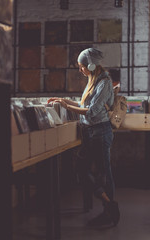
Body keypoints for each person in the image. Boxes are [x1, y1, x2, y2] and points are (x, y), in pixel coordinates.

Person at [47, 47, 120, 228]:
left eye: (82, 66)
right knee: (81, 168)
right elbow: (83, 104)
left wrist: (66, 106)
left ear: (91, 64)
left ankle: (108, 210)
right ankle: (109, 204)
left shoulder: (104, 82)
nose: (80, 70)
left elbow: (92, 111)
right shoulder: (92, 81)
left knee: (104, 174)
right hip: (90, 133)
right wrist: (62, 101)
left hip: (100, 132)